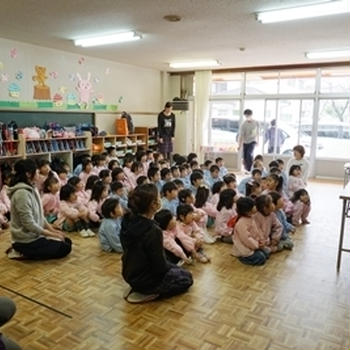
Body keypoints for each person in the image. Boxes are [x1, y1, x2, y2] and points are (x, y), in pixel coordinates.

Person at [120, 184, 193, 303]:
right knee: (186, 278)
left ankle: (136, 286)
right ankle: (150, 292)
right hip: (147, 279)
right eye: (159, 197)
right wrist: (174, 268)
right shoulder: (153, 230)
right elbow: (160, 266)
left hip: (129, 272)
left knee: (176, 268)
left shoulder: (127, 219)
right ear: (153, 205)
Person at [8, 159, 72, 260]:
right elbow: (29, 224)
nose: (39, 173)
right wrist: (51, 234)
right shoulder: (21, 194)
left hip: (35, 236)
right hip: (26, 240)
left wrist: (53, 231)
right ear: (28, 174)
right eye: (37, 171)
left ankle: (24, 250)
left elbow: (39, 215)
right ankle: (19, 250)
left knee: (66, 241)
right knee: (65, 248)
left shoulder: (33, 188)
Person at [232, 197, 268, 266]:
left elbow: (257, 230)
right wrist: (256, 245)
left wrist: (261, 240)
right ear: (247, 210)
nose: (255, 207)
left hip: (253, 245)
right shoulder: (241, 223)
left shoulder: (251, 217)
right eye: (253, 206)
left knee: (266, 253)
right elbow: (246, 239)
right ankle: (243, 258)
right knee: (261, 258)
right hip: (244, 248)